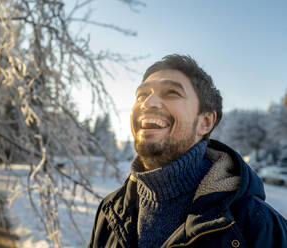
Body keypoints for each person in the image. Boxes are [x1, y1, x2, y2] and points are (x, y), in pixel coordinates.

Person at [88, 54, 287, 248]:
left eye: (172, 93)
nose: (147, 103)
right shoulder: (110, 211)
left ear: (205, 122)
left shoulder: (260, 228)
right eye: (142, 95)